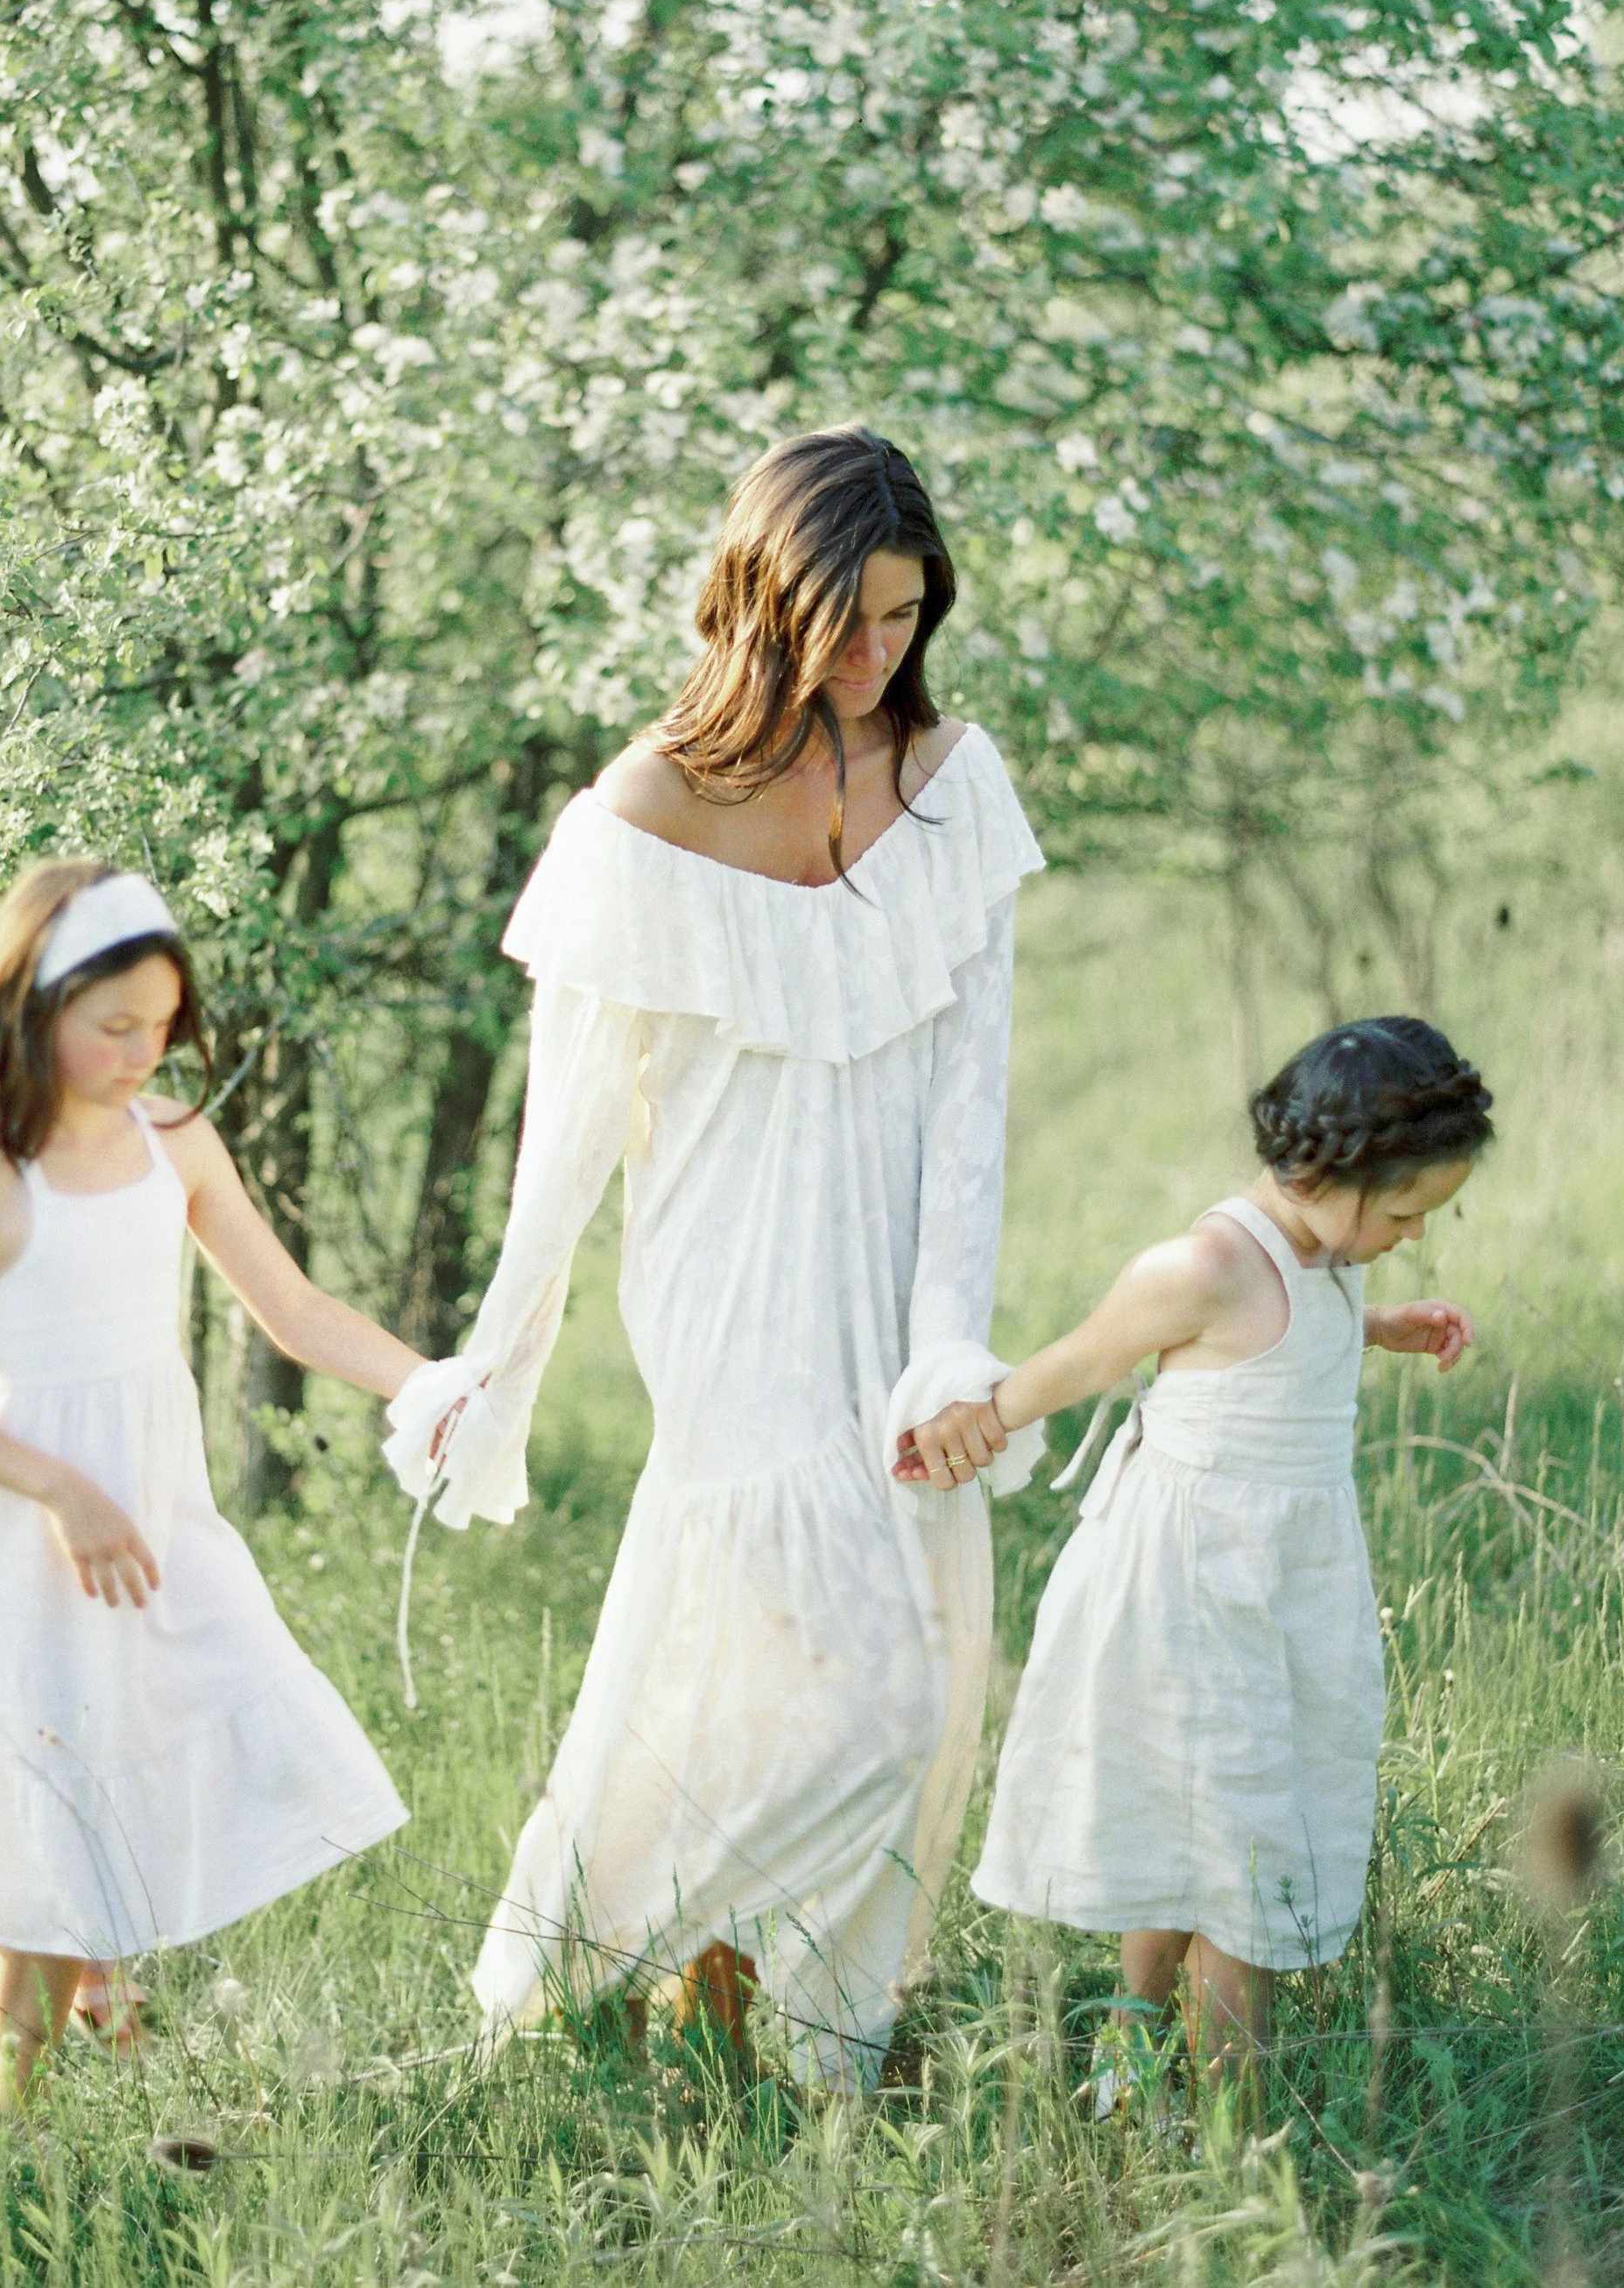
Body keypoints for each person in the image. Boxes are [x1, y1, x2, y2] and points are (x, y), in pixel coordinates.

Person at [384, 425, 1047, 2083]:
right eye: (843, 618)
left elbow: (972, 1109)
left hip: (891, 1291)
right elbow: (567, 1137)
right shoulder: (642, 811)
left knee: (905, 1672)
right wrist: (498, 1361)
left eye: (902, 618)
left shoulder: (954, 784)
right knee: (824, 1678)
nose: (873, 653)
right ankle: (591, 1959)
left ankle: (781, 2016)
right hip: (728, 1288)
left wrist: (945, 1345)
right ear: (761, 600)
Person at [0, 862, 422, 2110]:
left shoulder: (175, 1139)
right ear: (32, 1002)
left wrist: (429, 1386)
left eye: (161, 1025)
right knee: (50, 1795)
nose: (141, 1051)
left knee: (203, 1701)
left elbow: (290, 1307)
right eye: (113, 1024)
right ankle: (11, 2117)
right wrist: (63, 1490)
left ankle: (109, 1991)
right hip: (34, 1522)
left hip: (161, 1512)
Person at [912, 1016, 1492, 2090]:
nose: (1409, 1234)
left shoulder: (1326, 1251)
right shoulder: (1203, 1263)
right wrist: (965, 1424)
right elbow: (1082, 1363)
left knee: (1222, 1807)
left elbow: (1297, 1322)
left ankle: (1145, 2049)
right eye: (1406, 1213)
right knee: (1232, 1844)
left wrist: (1385, 1320)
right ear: (1330, 1172)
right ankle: (1230, 2116)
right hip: (1189, 1586)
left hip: (1282, 1582)